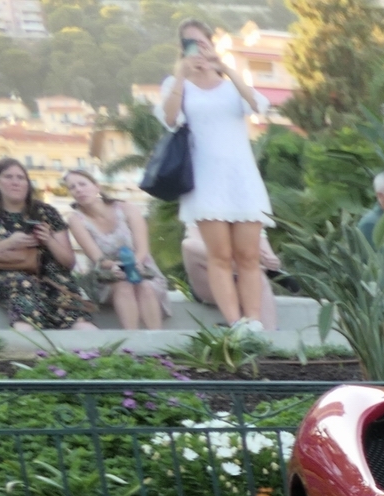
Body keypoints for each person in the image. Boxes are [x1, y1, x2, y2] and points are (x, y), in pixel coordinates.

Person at [159, 17, 274, 333]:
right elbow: (170, 119)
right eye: (189, 43)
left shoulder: (230, 80)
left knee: (249, 256)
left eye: (202, 41)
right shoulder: (176, 84)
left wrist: (226, 67)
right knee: (220, 257)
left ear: (212, 41)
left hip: (241, 178)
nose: (198, 49)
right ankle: (235, 323)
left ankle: (254, 322)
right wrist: (182, 75)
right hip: (206, 183)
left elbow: (257, 105)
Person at [0, 158, 97, 330]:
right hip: (12, 279)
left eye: (21, 177)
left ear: (27, 183)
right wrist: (8, 243)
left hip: (53, 279)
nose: (15, 182)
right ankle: (28, 351)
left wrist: (48, 240)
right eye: (8, 177)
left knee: (76, 318)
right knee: (23, 290)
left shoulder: (46, 212)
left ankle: (96, 352)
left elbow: (69, 262)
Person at [59, 167, 165, 330]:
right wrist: (116, 267)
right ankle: (132, 342)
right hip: (107, 274)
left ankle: (158, 342)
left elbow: (143, 248)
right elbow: (97, 258)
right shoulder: (76, 219)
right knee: (124, 286)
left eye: (82, 184)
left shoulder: (126, 208)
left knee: (145, 286)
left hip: (142, 268)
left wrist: (134, 264)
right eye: (72, 187)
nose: (78, 189)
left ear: (97, 187)